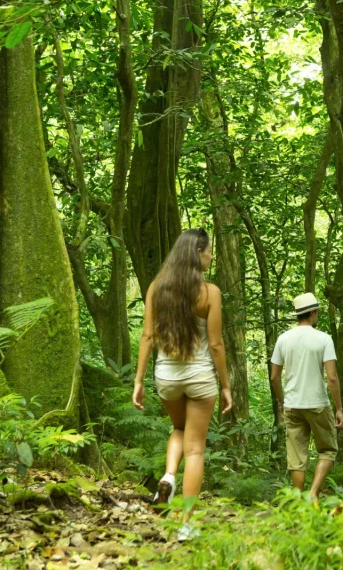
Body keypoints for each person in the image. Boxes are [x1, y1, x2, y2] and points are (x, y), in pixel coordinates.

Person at [132, 228, 232, 541]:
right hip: (201, 379)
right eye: (209, 251)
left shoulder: (156, 289)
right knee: (196, 450)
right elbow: (215, 344)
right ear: (197, 252)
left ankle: (169, 475)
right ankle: (186, 524)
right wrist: (226, 386)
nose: (211, 256)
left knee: (178, 429)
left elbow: (147, 336)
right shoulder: (210, 293)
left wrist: (138, 380)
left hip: (167, 378)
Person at [270, 292, 343, 500]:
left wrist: (281, 401)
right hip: (318, 404)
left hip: (293, 405)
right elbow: (331, 378)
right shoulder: (323, 339)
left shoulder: (283, 339)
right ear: (312, 312)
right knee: (328, 449)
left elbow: (274, 377)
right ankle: (313, 493)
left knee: (296, 457)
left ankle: (298, 502)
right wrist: (339, 409)